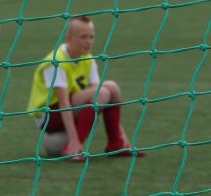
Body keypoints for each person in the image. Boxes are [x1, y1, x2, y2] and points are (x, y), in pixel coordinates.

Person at [27, 15, 144, 160]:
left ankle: (117, 143)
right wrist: (74, 140)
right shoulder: (56, 62)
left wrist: (123, 136)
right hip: (49, 115)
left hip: (69, 106)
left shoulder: (88, 59)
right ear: (69, 38)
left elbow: (101, 98)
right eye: (83, 37)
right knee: (103, 92)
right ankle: (74, 148)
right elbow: (64, 103)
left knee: (111, 87)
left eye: (91, 37)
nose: (88, 42)